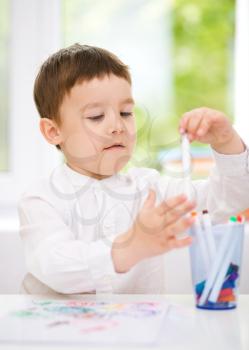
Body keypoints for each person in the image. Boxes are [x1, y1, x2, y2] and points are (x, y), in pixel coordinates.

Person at [18, 43, 249, 295]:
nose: (118, 126)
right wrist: (130, 247)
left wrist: (226, 142)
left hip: (138, 332)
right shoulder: (40, 198)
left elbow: (225, 204)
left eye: (126, 112)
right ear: (53, 131)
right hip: (59, 332)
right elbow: (55, 266)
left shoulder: (149, 188)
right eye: (96, 116)